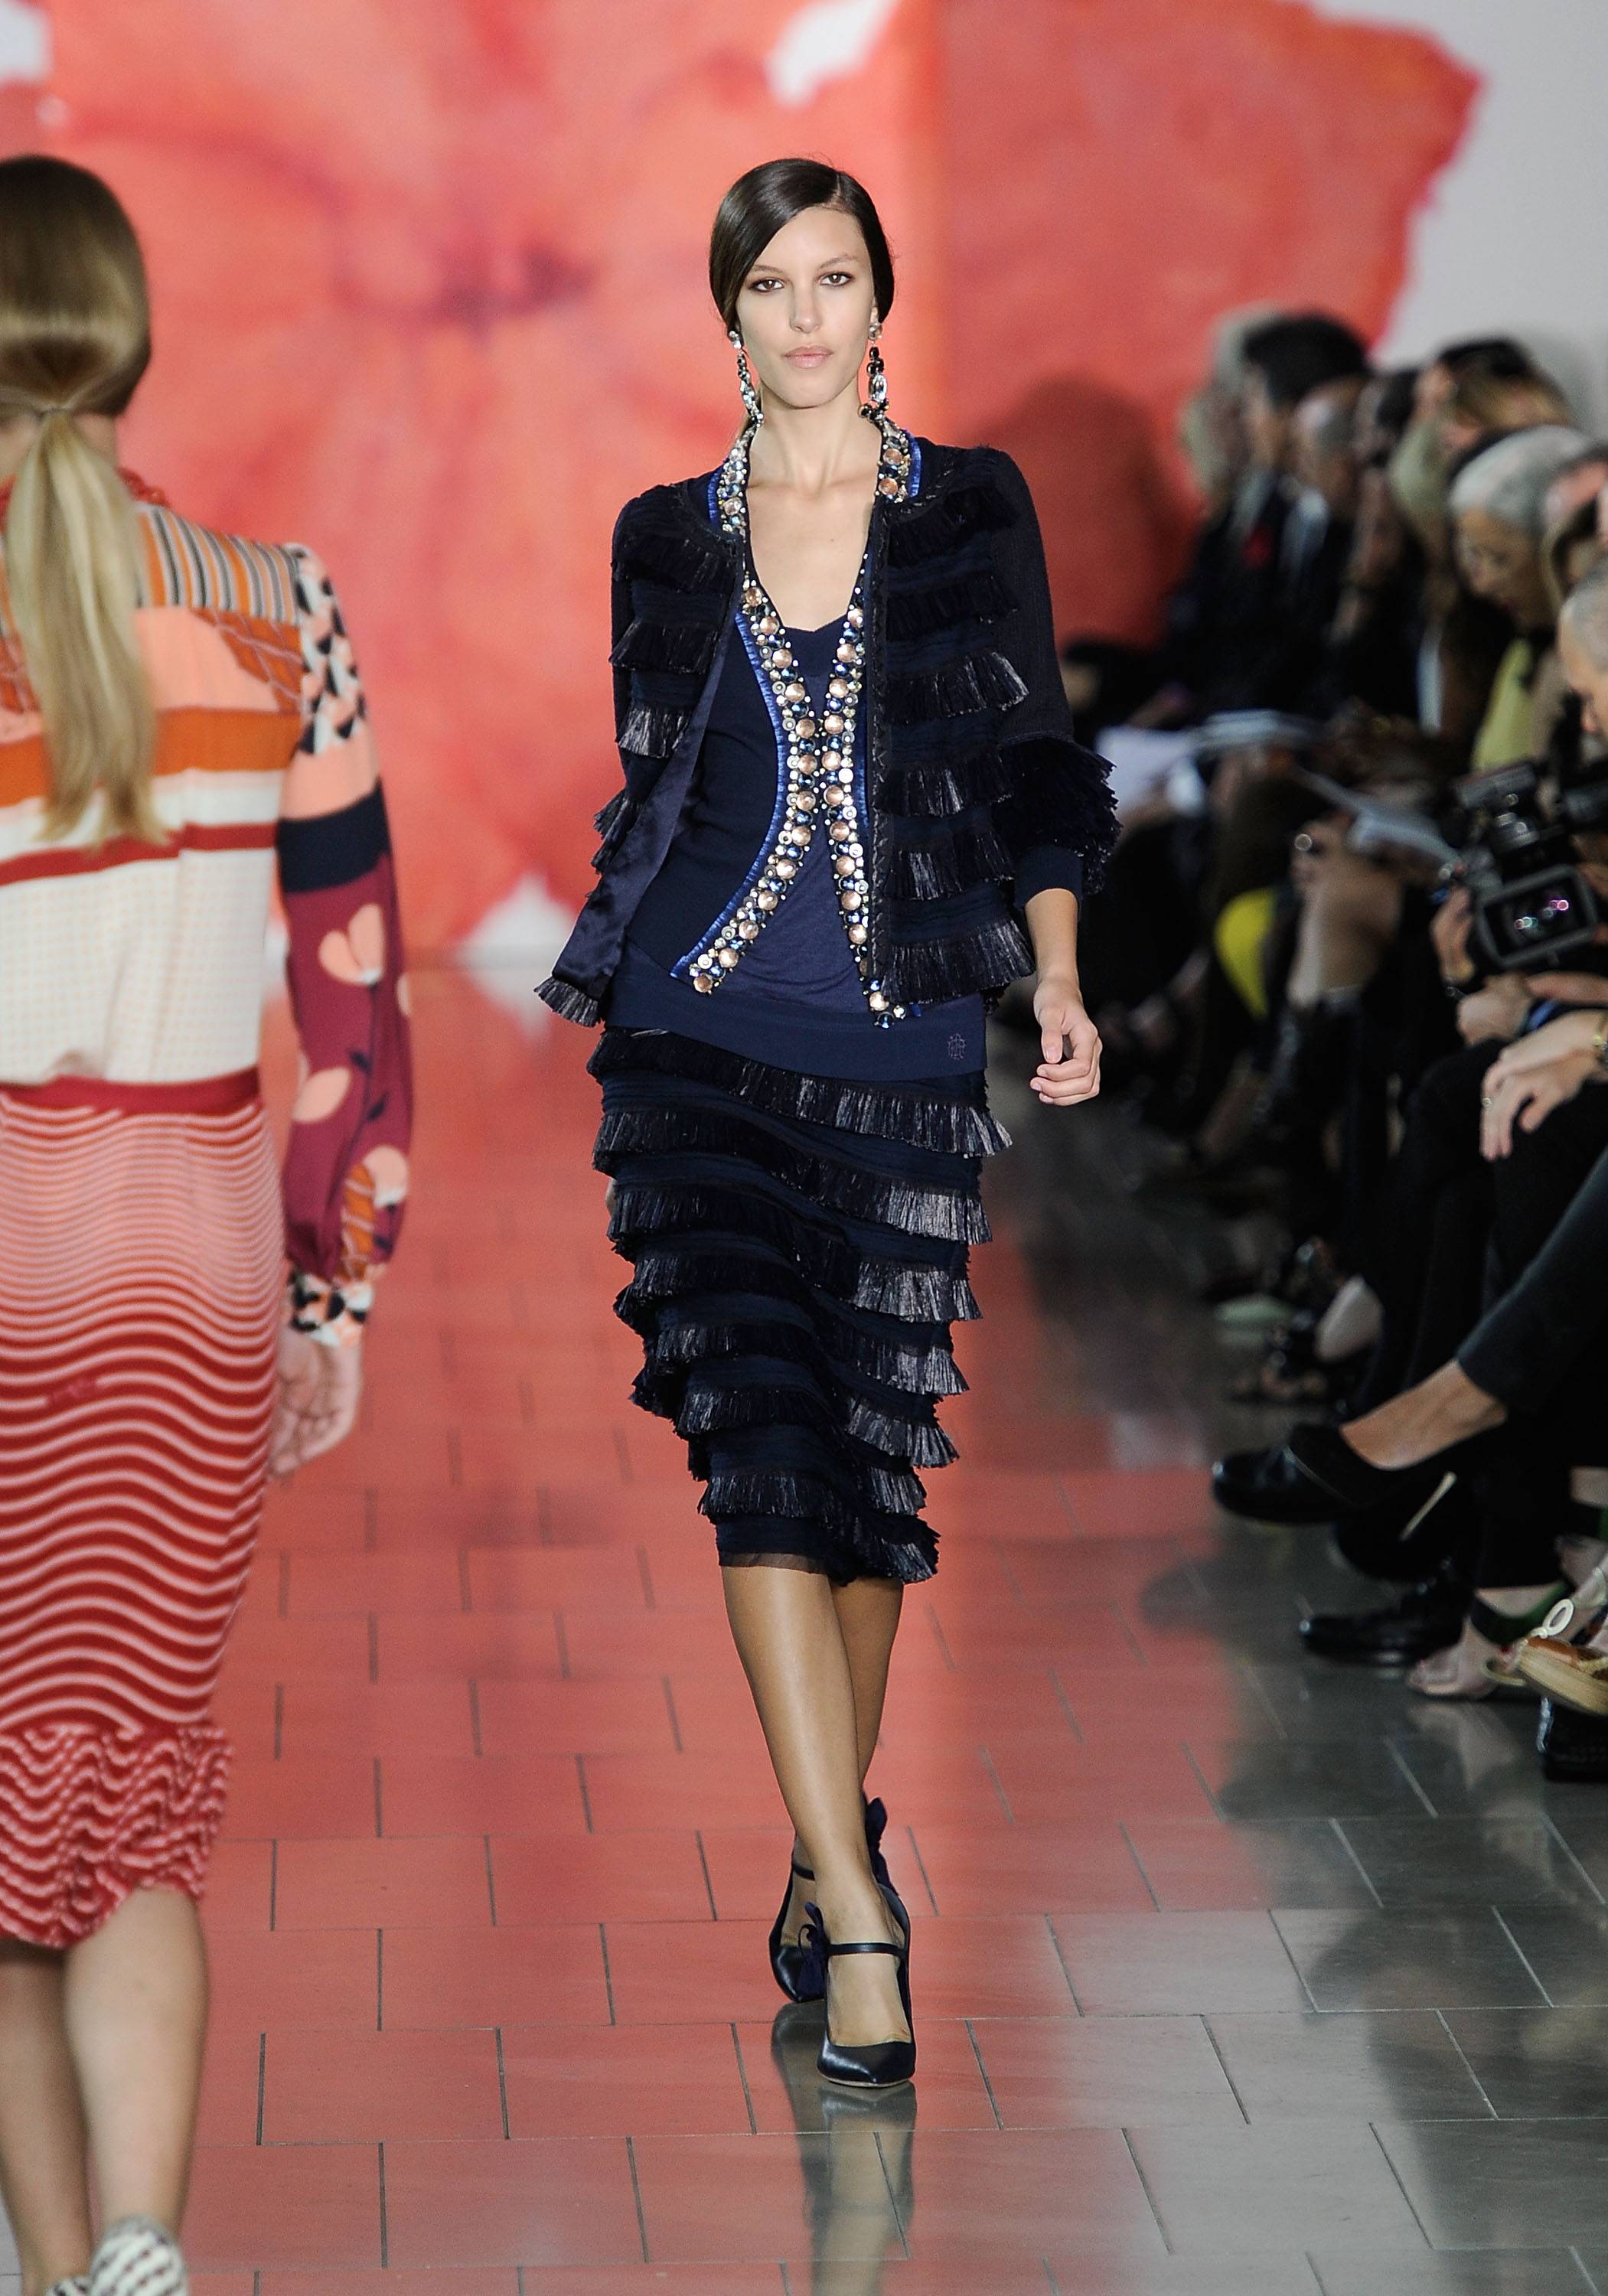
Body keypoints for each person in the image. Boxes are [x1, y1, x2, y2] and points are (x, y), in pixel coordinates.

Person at [540, 157, 1112, 2089]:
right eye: (771, 283)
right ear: (727, 312)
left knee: (865, 1498)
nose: (805, 315)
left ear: (882, 300)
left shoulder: (970, 507)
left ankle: (816, 1843)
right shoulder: (657, 537)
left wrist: (1053, 976)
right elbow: (659, 791)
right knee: (767, 1461)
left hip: (903, 1063)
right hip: (689, 1051)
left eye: (835, 278)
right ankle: (860, 1911)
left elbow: (1036, 762)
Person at [0, 158, 411, 2296]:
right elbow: (354, 997)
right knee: (130, 1794)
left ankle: (58, 2268)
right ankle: (143, 2246)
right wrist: (332, 1300)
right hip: (190, 1263)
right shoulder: (279, 606)